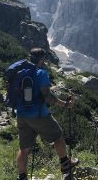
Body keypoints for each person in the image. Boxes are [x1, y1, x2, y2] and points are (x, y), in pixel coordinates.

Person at [15, 47, 78, 180]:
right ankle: (65, 165)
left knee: (24, 149)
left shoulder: (20, 71)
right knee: (58, 136)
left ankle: (22, 177)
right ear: (42, 59)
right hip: (38, 114)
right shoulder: (40, 73)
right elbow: (48, 97)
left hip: (21, 114)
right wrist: (65, 104)